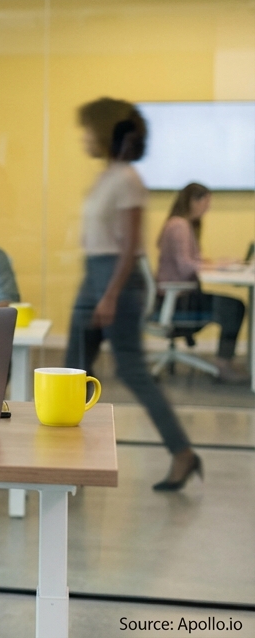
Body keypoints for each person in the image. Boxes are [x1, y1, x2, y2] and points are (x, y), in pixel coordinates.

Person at [68, 97, 200, 492]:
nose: (84, 137)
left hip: (116, 280)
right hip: (95, 275)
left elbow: (129, 246)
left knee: (131, 369)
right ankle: (69, 461)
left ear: (107, 132)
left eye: (89, 129)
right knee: (73, 369)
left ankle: (183, 452)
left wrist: (109, 295)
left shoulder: (128, 179)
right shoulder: (108, 176)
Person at [156, 182, 247, 382]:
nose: (207, 209)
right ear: (193, 201)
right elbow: (186, 266)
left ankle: (224, 363)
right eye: (205, 203)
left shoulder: (178, 223)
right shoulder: (179, 225)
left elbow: (190, 261)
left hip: (177, 298)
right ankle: (222, 365)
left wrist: (215, 262)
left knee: (233, 306)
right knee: (235, 308)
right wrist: (216, 267)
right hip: (180, 301)